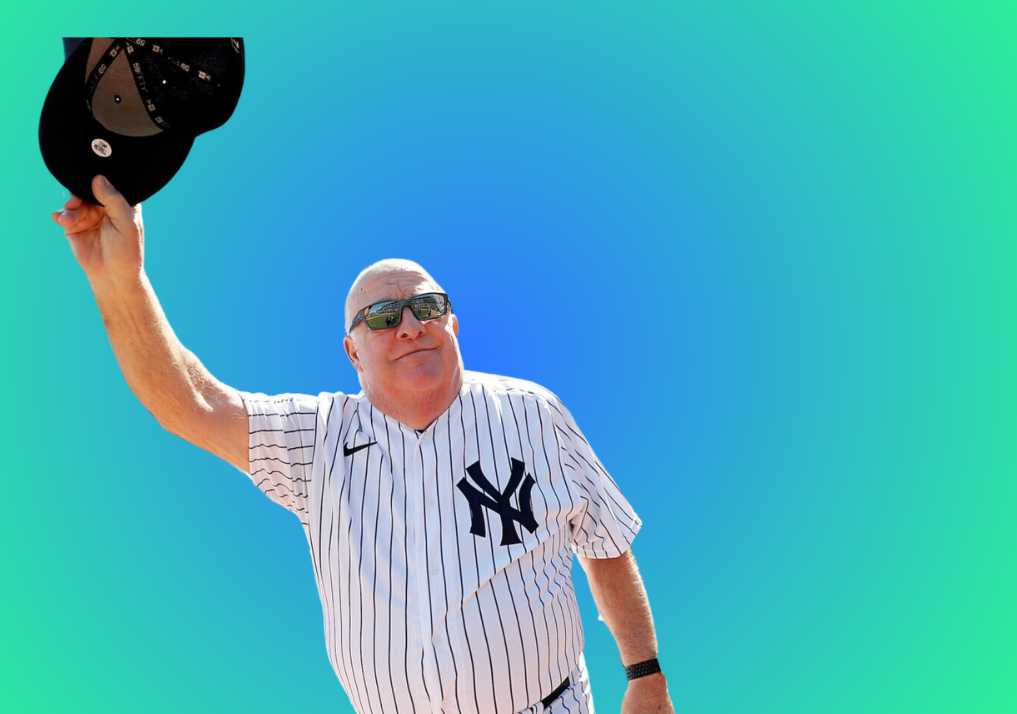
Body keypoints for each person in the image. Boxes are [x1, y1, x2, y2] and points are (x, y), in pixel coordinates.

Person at [52, 175, 674, 714]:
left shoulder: (534, 414)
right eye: (381, 317)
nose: (410, 326)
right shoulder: (318, 439)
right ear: (352, 352)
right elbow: (192, 403)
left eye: (427, 306)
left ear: (453, 323)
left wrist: (645, 674)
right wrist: (120, 280)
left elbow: (606, 543)